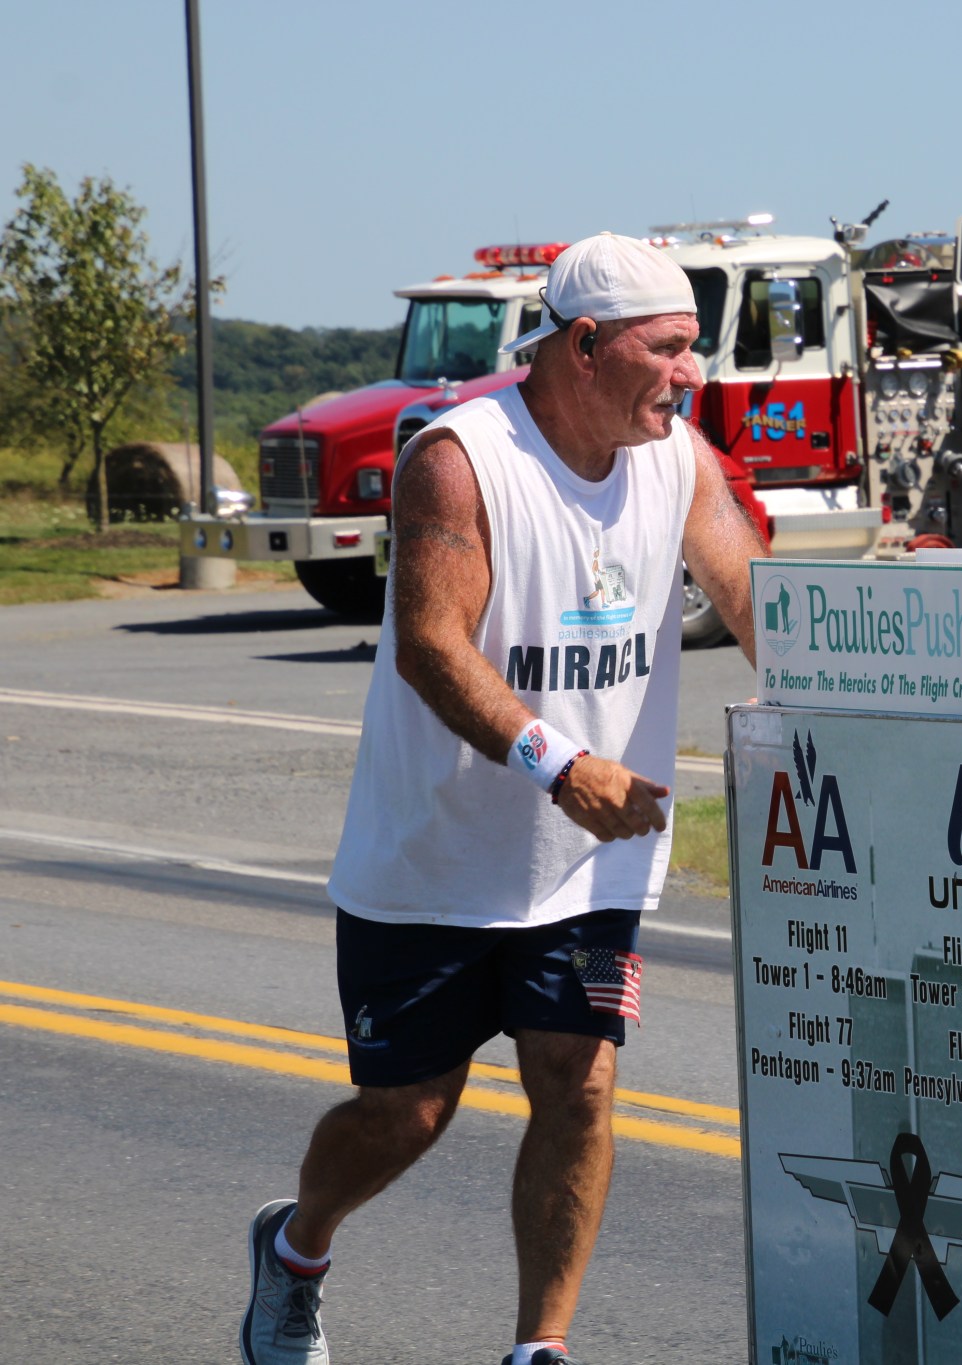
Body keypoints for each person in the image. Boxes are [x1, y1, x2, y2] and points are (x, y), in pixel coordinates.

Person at [239, 233, 763, 1365]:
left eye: (694, 352)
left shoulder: (678, 459)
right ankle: (297, 1249)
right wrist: (559, 766)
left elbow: (763, 602)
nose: (692, 375)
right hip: (432, 864)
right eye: (670, 350)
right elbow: (431, 646)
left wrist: (907, 682)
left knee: (579, 1083)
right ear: (584, 345)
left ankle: (541, 1348)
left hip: (588, 866)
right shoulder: (460, 458)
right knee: (408, 1113)